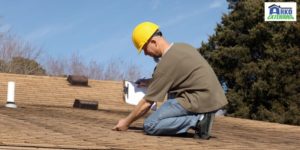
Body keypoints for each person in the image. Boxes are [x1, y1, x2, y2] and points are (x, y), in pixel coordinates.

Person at [112, 21, 228, 139]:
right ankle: (183, 126)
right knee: (171, 92)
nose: (145, 54)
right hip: (210, 97)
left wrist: (126, 122)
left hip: (198, 100)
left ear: (153, 42)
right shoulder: (182, 47)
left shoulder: (166, 63)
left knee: (150, 125)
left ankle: (199, 121)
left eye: (144, 48)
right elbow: (176, 77)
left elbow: (147, 103)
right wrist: (150, 82)